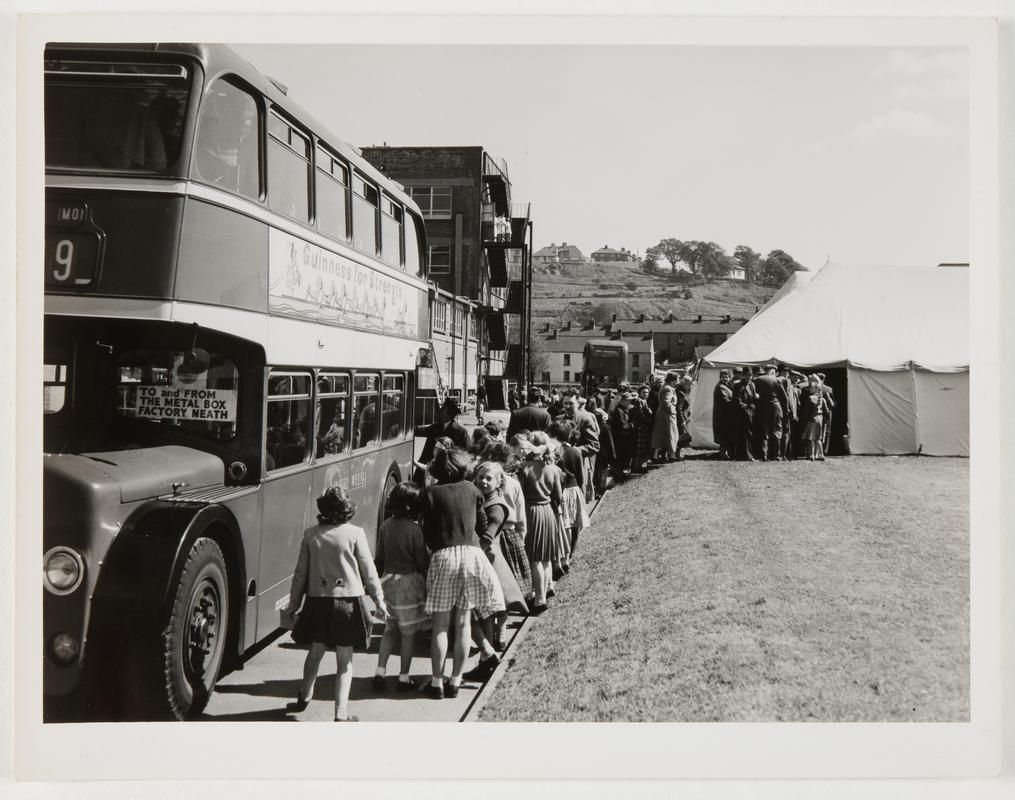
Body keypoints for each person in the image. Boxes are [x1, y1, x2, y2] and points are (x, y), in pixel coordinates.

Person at [285, 486, 388, 721]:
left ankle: (305, 693)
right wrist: (378, 599)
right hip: (348, 604)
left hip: (317, 602)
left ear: (322, 509)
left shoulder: (310, 534)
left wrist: (293, 605)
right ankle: (341, 713)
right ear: (347, 509)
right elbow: (368, 571)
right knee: (345, 660)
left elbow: (300, 574)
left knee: (316, 651)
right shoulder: (355, 533)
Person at [418, 448, 505, 699]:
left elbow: (427, 533)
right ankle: (455, 680)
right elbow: (480, 525)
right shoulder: (472, 489)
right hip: (471, 556)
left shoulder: (430, 494)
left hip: (443, 557)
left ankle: (437, 683)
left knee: (441, 626)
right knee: (464, 622)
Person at [463, 461, 523, 683]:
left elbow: (488, 535)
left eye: (489, 478)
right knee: (486, 609)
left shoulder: (496, 505)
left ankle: (491, 651)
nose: (483, 481)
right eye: (481, 477)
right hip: (483, 557)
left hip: (489, 559)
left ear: (500, 482)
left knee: (490, 608)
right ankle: (488, 654)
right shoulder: (480, 497)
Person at [372, 483, 430, 693]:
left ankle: (380, 671)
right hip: (408, 584)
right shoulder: (415, 529)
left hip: (388, 583)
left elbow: (379, 557)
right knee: (408, 634)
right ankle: (404, 677)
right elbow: (420, 560)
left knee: (389, 630)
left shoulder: (386, 525)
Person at [481, 440, 533, 612]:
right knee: (511, 576)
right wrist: (522, 537)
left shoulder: (482, 482)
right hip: (511, 533)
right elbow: (521, 516)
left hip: (491, 534)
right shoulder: (514, 483)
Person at [518, 432, 564, 615]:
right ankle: (544, 591)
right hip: (547, 512)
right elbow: (558, 497)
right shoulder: (552, 469)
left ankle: (538, 599)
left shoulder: (523, 468)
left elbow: (519, 495)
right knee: (545, 557)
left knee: (535, 557)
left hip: (531, 511)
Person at [555, 390, 601, 503]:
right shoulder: (558, 419)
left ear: (578, 404)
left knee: (579, 496)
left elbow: (595, 445)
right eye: (565, 403)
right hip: (561, 465)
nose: (568, 406)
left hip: (578, 465)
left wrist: (575, 450)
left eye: (571, 403)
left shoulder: (585, 419)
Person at [417, 397, 469, 475]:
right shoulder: (436, 427)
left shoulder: (461, 432)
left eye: (443, 409)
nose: (440, 411)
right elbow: (420, 431)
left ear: (449, 414)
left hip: (447, 472)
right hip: (428, 469)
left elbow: (466, 453)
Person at [752, 364, 789, 462]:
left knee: (764, 431)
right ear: (773, 371)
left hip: (762, 407)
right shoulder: (776, 380)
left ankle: (764, 455)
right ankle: (776, 455)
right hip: (775, 407)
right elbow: (784, 397)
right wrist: (786, 410)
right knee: (777, 430)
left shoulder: (757, 380)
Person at [586, 396, 613, 496]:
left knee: (596, 470)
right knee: (603, 470)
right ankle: (601, 489)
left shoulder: (592, 425)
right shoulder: (606, 427)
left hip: (594, 452)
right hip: (604, 452)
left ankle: (595, 488)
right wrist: (613, 455)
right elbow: (610, 443)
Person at [799, 374, 830, 461]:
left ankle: (812, 455)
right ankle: (821, 454)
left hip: (811, 419)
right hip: (820, 419)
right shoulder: (822, 399)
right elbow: (826, 411)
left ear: (815, 389)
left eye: (811, 388)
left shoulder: (810, 398)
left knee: (811, 439)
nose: (810, 389)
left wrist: (804, 419)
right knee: (818, 439)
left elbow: (806, 411)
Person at [650, 385, 682, 462]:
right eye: (676, 379)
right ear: (673, 380)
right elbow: (665, 401)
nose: (677, 381)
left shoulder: (666, 387)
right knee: (671, 434)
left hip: (664, 414)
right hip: (666, 415)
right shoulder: (668, 389)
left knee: (661, 435)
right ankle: (671, 455)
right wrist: (672, 410)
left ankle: (657, 456)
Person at [732, 367, 757, 461]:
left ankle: (748, 454)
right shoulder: (738, 386)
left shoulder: (752, 385)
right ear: (743, 375)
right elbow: (737, 401)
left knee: (749, 435)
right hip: (743, 414)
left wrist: (755, 401)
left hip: (751, 413)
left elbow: (753, 398)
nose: (749, 377)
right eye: (747, 375)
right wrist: (746, 409)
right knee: (743, 435)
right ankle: (745, 455)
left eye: (750, 375)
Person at [610, 391, 637, 475]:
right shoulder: (619, 410)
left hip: (623, 437)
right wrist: (633, 425)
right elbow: (623, 425)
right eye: (628, 400)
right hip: (620, 438)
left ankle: (620, 473)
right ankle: (619, 474)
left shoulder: (623, 409)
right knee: (621, 457)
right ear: (623, 400)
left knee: (623, 457)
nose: (629, 402)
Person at [712, 369, 735, 460]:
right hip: (722, 415)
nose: (725, 378)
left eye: (727, 377)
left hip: (726, 415)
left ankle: (725, 453)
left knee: (725, 435)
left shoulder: (727, 385)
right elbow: (725, 401)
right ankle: (723, 454)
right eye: (723, 377)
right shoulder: (721, 387)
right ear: (720, 377)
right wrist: (735, 403)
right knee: (723, 436)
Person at [817, 373, 836, 456]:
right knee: (827, 431)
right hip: (828, 411)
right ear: (824, 379)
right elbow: (833, 403)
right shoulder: (828, 389)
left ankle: (817, 450)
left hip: (817, 411)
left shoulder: (814, 387)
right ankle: (825, 450)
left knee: (817, 431)